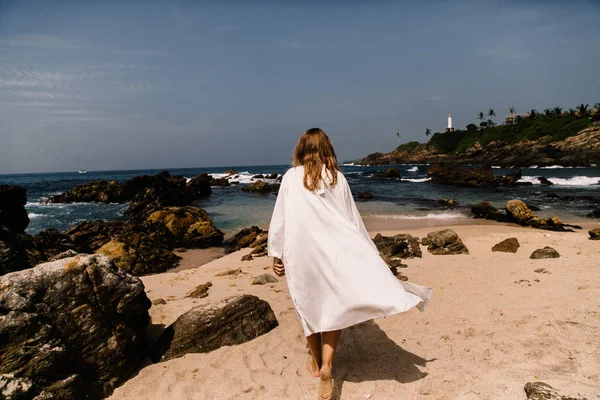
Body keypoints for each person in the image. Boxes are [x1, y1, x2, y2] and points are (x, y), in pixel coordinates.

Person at [267, 128, 432, 400]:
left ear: (301, 149)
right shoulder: (337, 178)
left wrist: (276, 253)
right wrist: (371, 251)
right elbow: (353, 221)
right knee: (334, 305)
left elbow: (280, 218)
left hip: (300, 252)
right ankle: (328, 365)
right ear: (327, 149)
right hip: (335, 251)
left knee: (307, 306)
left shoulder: (290, 177)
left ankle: (317, 362)